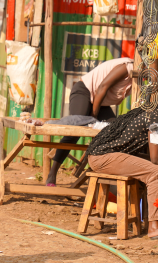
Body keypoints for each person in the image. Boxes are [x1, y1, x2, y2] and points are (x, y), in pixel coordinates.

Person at [85, 91, 158, 239]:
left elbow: (155, 149)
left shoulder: (150, 113)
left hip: (101, 155)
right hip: (102, 158)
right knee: (157, 172)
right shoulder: (156, 119)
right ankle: (155, 226)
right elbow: (155, 158)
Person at [46, 57, 134, 186]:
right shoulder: (128, 67)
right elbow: (103, 86)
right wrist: (93, 117)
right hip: (84, 92)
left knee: (113, 132)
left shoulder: (143, 76)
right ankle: (52, 173)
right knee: (75, 132)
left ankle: (104, 178)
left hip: (100, 101)